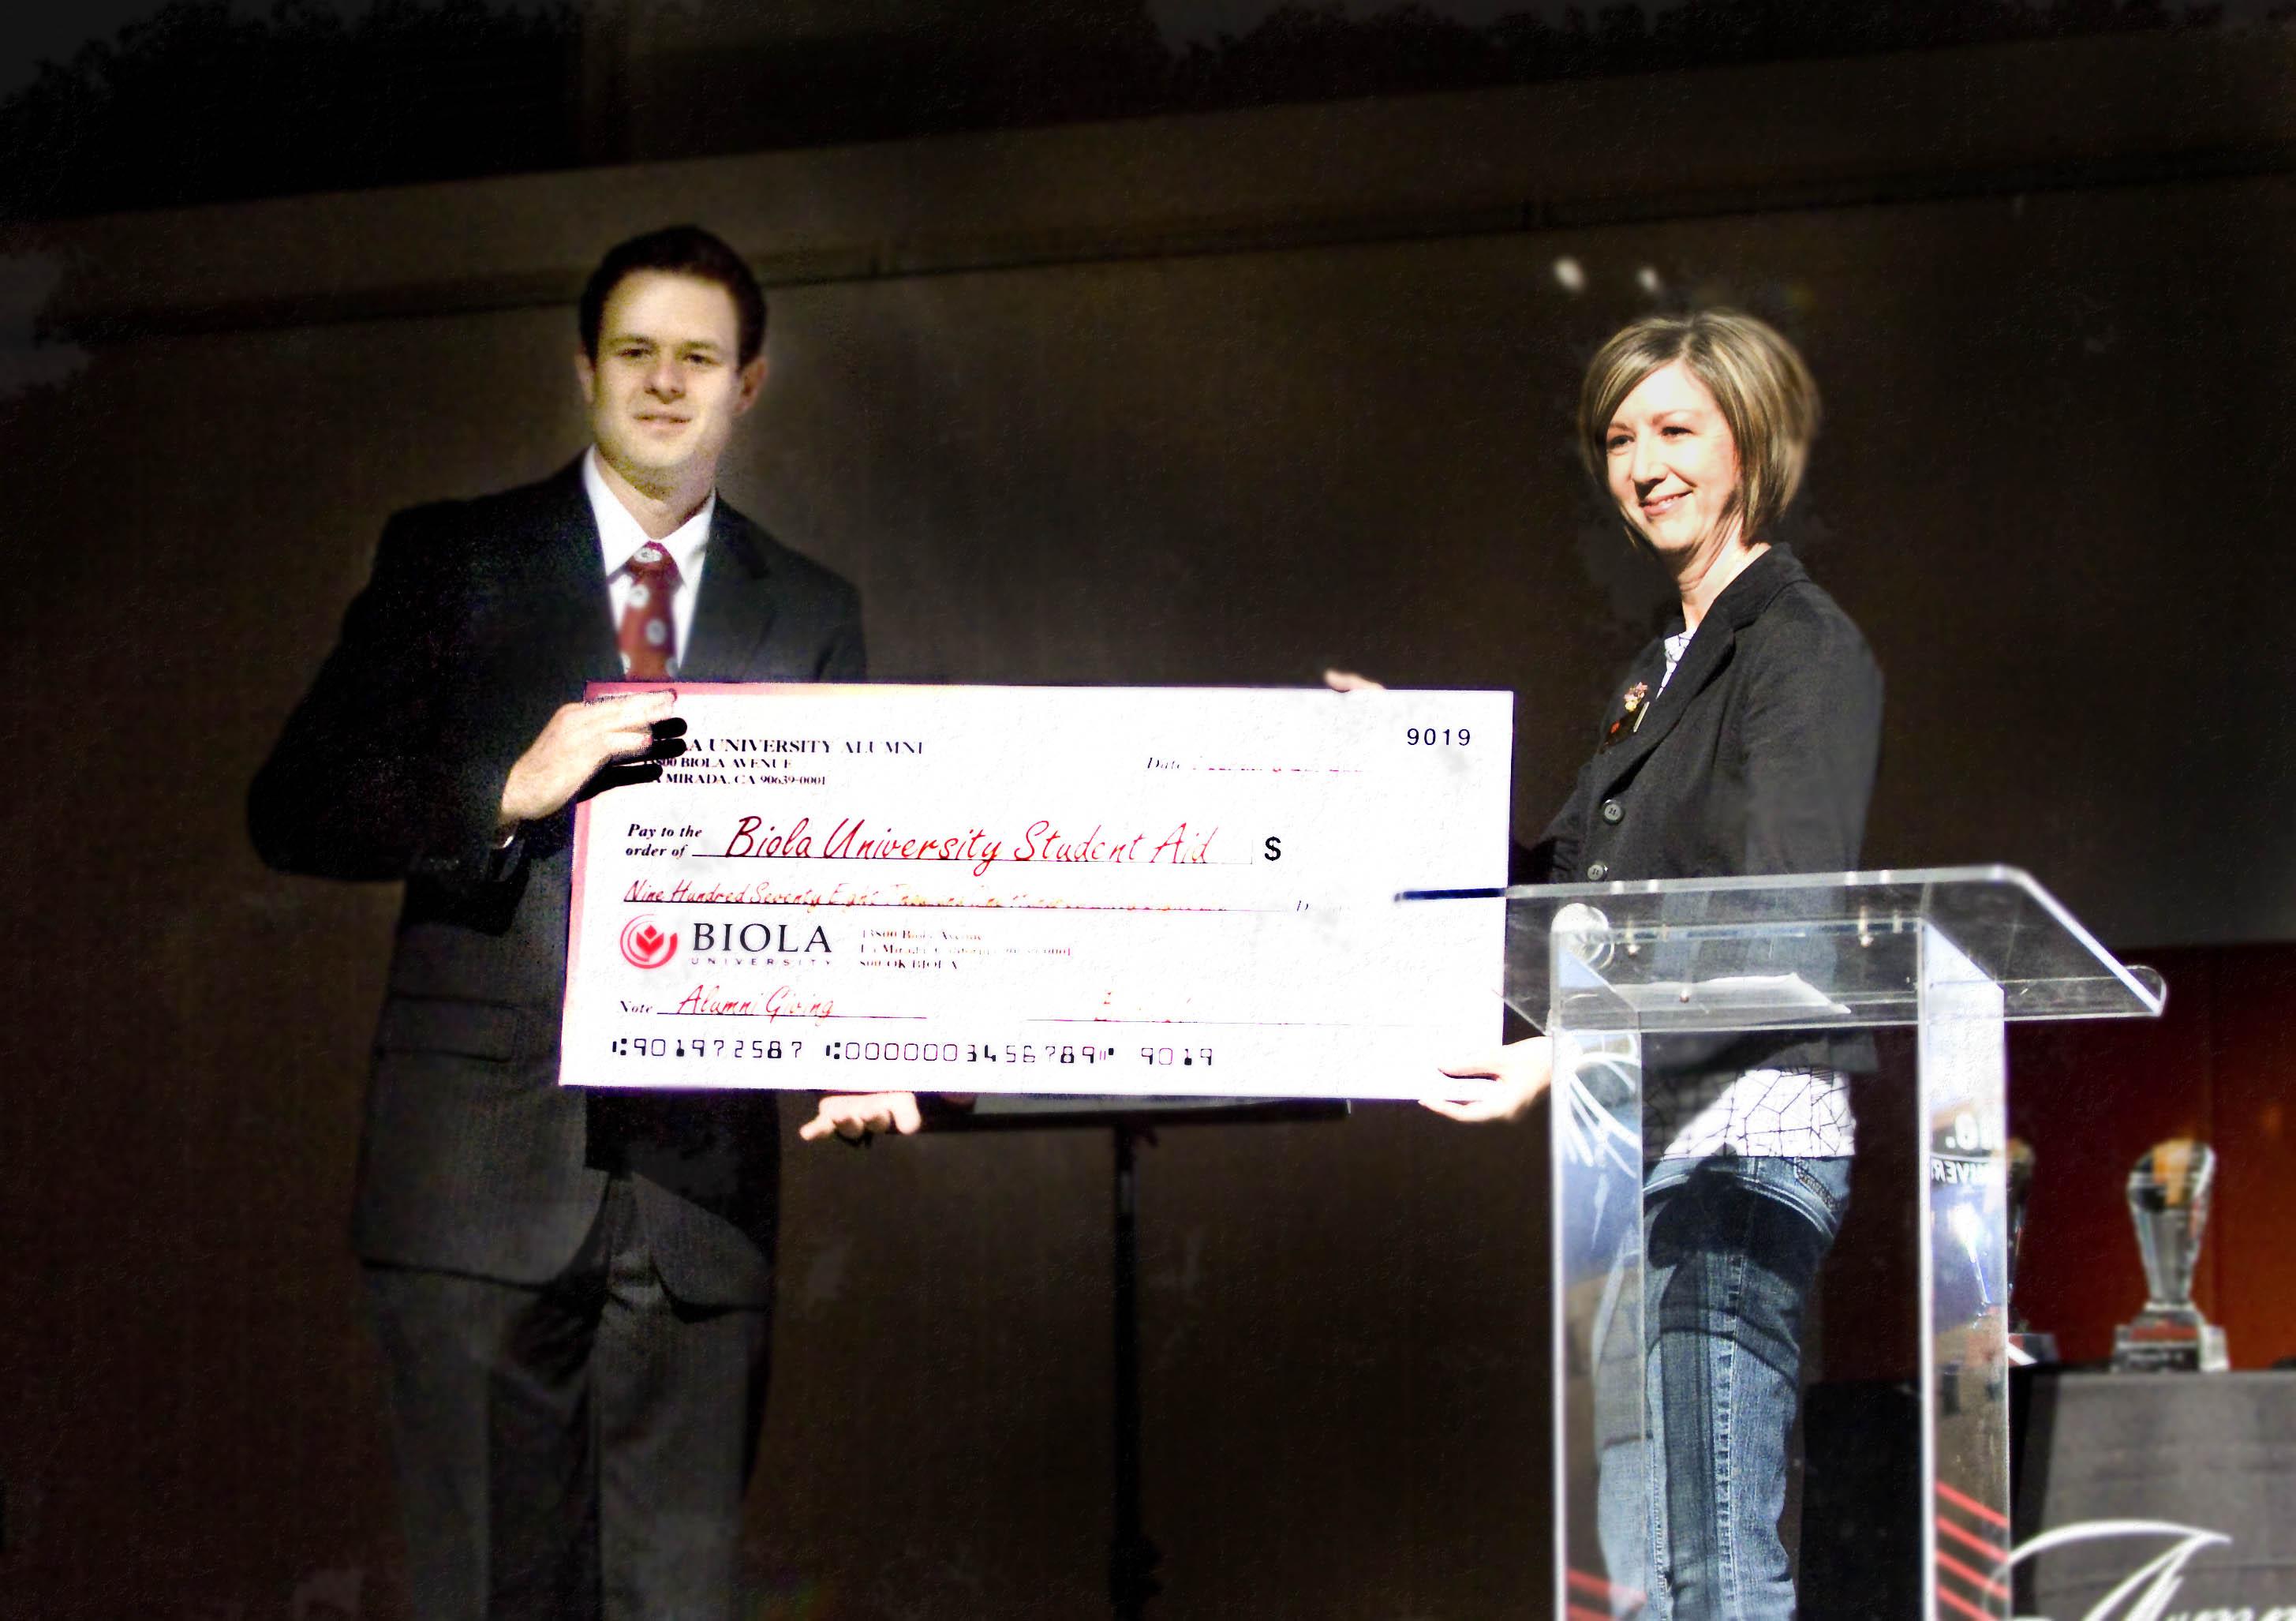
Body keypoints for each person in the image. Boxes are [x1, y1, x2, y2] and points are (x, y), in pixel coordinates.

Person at [249, 225, 864, 1620]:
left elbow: (846, 878)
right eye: (635, 352)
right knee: (488, 1597)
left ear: (748, 386)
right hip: (473, 1175)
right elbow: (293, 805)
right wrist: (504, 786)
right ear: (585, 369)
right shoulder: (452, 560)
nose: (664, 383)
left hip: (700, 1203)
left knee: (678, 1603)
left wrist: (873, 1038)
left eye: (697, 357)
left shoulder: (815, 606)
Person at [1405, 309, 1881, 1621]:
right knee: (1639, 1573)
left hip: (1738, 1141)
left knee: (1712, 1565)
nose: (1641, 462)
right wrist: (1388, 792)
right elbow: (1556, 888)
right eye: (1619, 437)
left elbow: (1780, 928)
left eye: (1676, 428)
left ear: (1752, 444)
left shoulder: (1798, 646)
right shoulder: (1660, 666)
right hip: (1638, 1147)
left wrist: (1570, 1047)